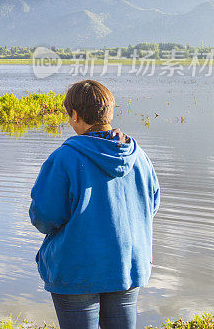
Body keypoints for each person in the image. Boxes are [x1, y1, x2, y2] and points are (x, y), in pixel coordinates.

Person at [29, 79, 160, 329]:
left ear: (75, 115)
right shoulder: (139, 157)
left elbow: (44, 217)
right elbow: (151, 207)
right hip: (126, 267)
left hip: (76, 271)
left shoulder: (64, 158)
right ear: (109, 112)